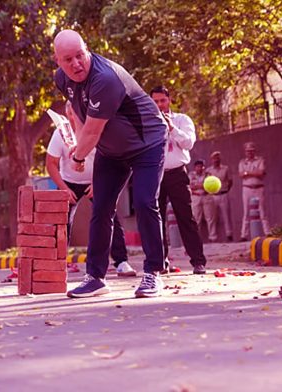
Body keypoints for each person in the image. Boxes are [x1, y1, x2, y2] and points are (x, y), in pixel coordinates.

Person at [53, 29, 167, 298]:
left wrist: (79, 157)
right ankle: (95, 277)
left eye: (80, 56)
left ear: (87, 49)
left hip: (147, 144)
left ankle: (153, 273)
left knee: (143, 202)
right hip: (111, 151)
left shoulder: (105, 78)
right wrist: (77, 145)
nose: (76, 64)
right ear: (58, 61)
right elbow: (80, 118)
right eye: (68, 59)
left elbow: (92, 131)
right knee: (101, 207)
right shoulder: (62, 80)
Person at [45, 102, 136, 277]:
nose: (76, 116)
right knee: (61, 221)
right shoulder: (60, 134)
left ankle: (122, 262)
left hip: (97, 180)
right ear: (68, 114)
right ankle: (58, 262)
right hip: (68, 182)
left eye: (78, 112)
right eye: (71, 113)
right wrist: (64, 189)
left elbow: (109, 158)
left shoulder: (95, 130)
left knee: (109, 216)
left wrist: (98, 183)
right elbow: (51, 164)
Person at [149, 85, 207, 274]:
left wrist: (171, 128)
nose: (159, 105)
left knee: (186, 217)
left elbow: (188, 143)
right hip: (154, 174)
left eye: (162, 101)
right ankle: (159, 262)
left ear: (169, 100)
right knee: (155, 219)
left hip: (176, 173)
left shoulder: (182, 120)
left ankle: (198, 261)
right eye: (155, 102)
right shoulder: (146, 122)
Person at [238, 141, 269, 240]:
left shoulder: (260, 160)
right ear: (245, 152)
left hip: (258, 187)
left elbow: (261, 173)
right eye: (248, 151)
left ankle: (267, 232)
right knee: (246, 212)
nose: (250, 153)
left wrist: (248, 173)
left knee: (262, 211)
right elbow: (241, 175)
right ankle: (244, 235)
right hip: (247, 188)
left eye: (251, 151)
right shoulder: (242, 162)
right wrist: (253, 173)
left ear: (254, 151)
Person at [206, 151, 233, 242]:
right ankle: (212, 237)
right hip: (213, 196)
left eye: (217, 158)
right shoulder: (209, 171)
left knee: (226, 216)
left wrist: (226, 190)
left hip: (223, 194)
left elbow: (230, 181)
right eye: (214, 158)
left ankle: (229, 235)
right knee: (212, 217)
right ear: (211, 160)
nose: (216, 160)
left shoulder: (225, 169)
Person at [189, 159, 214, 241]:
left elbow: (209, 186)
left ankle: (212, 237)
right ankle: (197, 238)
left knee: (210, 217)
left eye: (201, 166)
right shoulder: (191, 175)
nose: (199, 168)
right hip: (196, 196)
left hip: (206, 196)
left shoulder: (208, 175)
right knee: (196, 218)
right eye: (198, 166)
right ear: (195, 167)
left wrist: (198, 186)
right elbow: (190, 186)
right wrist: (202, 185)